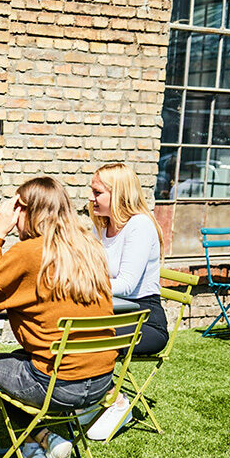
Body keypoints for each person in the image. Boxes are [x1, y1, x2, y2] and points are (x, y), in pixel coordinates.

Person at [0, 176, 116, 458]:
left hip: (59, 385)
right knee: (20, 358)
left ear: (26, 211)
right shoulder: (89, 247)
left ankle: (45, 439)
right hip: (102, 381)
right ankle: (37, 450)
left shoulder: (30, 252)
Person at [83, 162, 168, 439]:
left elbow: (128, 284)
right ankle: (89, 396)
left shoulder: (140, 226)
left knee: (86, 338)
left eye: (98, 193)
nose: (91, 198)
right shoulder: (102, 227)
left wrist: (84, 287)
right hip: (112, 313)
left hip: (145, 320)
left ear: (118, 194)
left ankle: (115, 401)